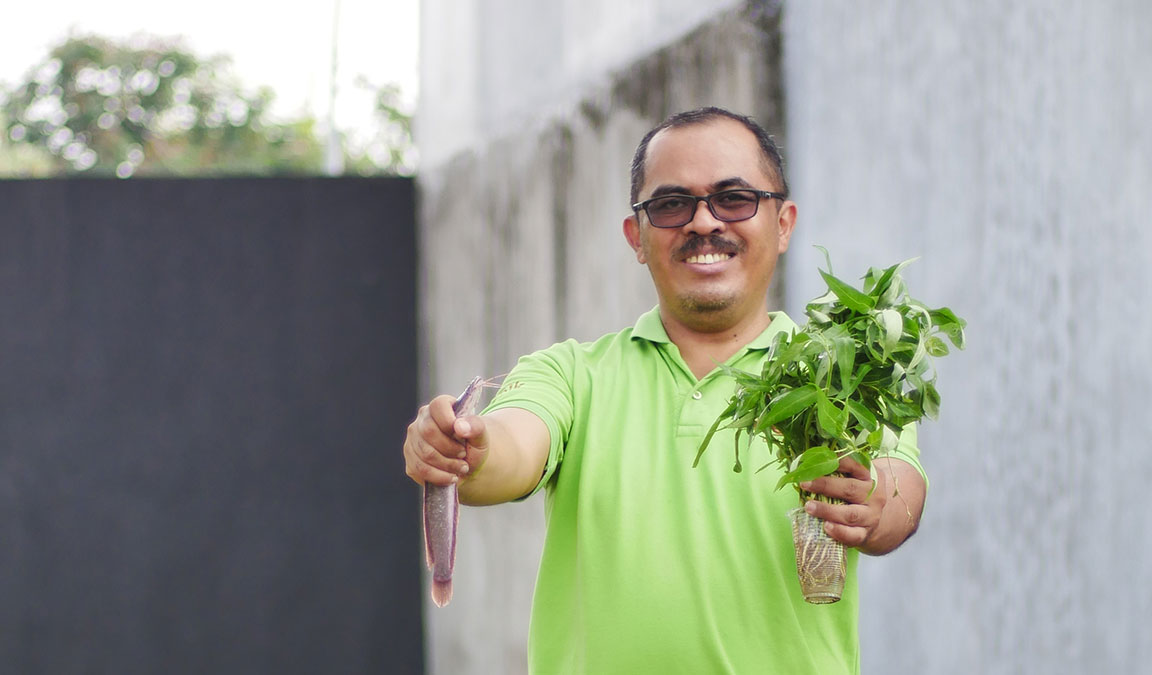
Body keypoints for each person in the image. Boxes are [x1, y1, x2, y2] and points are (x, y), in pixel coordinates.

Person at [403, 107, 926, 674]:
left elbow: (900, 491)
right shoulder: (573, 375)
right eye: (671, 204)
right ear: (637, 236)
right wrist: (465, 449)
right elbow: (510, 447)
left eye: (734, 198)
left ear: (783, 224)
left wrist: (876, 505)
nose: (704, 222)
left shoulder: (847, 375)